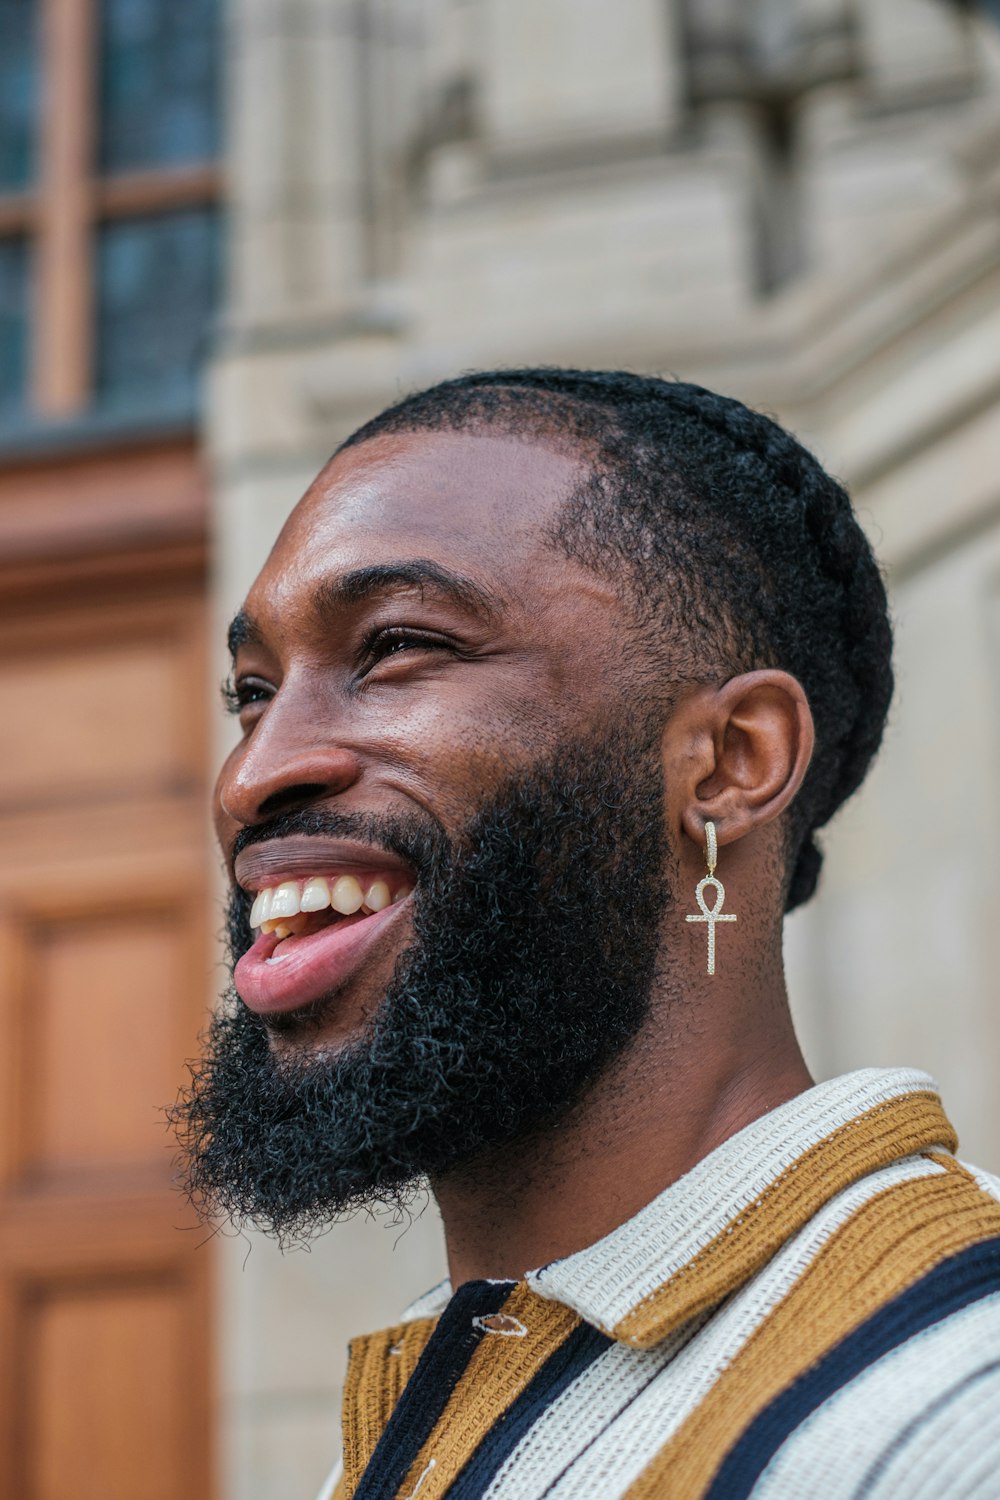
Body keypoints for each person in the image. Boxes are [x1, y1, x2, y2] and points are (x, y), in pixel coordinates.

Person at [173, 369, 1000, 1499]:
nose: (252, 776)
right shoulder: (436, 1407)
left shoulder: (954, 1415)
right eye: (254, 692)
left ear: (729, 763)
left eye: (397, 646)